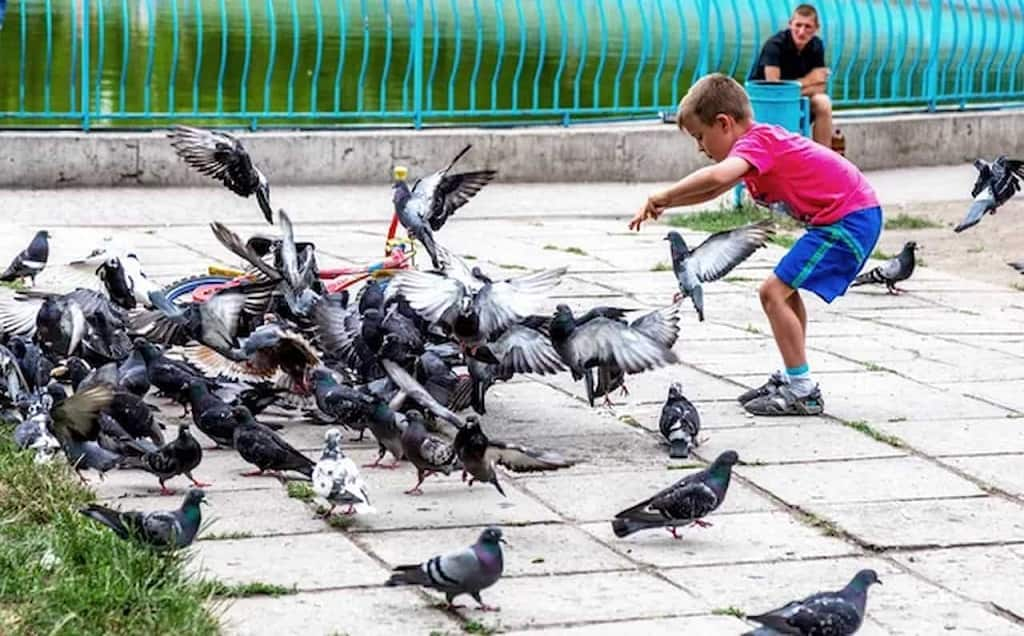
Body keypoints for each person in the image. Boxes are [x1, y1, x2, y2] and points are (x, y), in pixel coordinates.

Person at [628, 74, 882, 416]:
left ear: (724, 123)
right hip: (845, 216)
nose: (700, 149)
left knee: (771, 293)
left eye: (700, 137)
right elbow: (714, 189)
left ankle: (803, 390)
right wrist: (668, 204)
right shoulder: (757, 144)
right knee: (784, 293)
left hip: (849, 219)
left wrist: (663, 193)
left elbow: (717, 178)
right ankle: (795, 374)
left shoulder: (757, 143)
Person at [749, 4, 833, 147]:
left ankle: (825, 158)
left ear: (816, 28)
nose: (801, 32)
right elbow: (774, 88)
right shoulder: (774, 45)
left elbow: (820, 86)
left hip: (795, 97)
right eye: (798, 25)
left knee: (823, 102)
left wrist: (793, 88)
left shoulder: (817, 46)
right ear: (790, 24)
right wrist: (810, 80)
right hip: (765, 101)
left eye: (808, 27)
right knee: (784, 101)